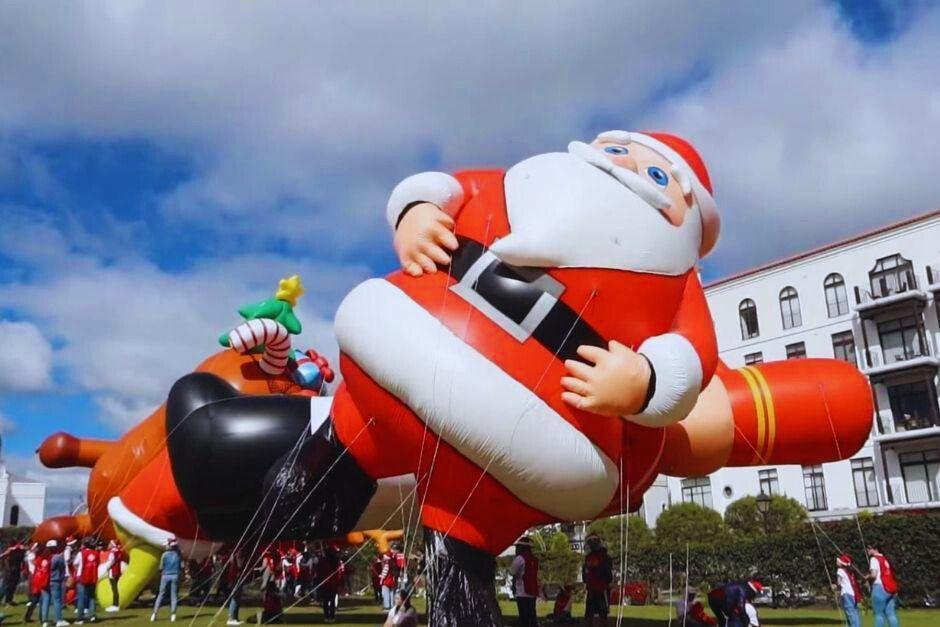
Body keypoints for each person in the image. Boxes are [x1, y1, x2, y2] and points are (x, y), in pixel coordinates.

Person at [581, 534, 612, 627]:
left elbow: (608, 575)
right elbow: (585, 574)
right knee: (589, 615)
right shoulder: (589, 558)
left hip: (601, 589)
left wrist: (596, 569)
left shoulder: (605, 557)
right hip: (592, 589)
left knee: (603, 615)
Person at [508, 536, 540, 627]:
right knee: (532, 616)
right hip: (532, 592)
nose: (516, 549)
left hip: (522, 592)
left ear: (523, 548)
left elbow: (512, 572)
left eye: (518, 547)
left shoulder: (519, 559)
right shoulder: (535, 559)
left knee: (524, 618)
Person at [867, 545, 900, 627]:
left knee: (879, 614)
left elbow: (874, 575)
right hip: (890, 589)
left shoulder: (874, 559)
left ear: (875, 549)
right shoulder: (886, 559)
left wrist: (867, 577)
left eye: (869, 548)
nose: (867, 550)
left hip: (879, 588)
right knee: (891, 614)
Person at [151, 537, 181, 622]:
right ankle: (173, 615)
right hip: (175, 575)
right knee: (174, 595)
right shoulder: (178, 555)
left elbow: (161, 567)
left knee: (161, 595)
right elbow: (180, 567)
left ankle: (154, 614)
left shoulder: (165, 555)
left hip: (165, 575)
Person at [73, 537, 99, 623]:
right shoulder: (96, 553)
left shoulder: (81, 553)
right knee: (91, 597)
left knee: (81, 598)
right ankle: (92, 616)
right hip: (92, 577)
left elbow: (75, 563)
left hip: (82, 578)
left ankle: (80, 618)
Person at [316, 545, 341, 623]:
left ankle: (327, 616)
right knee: (332, 601)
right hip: (332, 583)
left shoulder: (323, 560)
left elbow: (318, 571)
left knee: (326, 601)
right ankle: (332, 617)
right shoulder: (336, 561)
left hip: (325, 583)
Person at [0, 541, 25, 605]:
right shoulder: (9, 552)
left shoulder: (20, 552)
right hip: (8, 571)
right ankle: (2, 599)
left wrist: (21, 548)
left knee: (13, 587)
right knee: (5, 586)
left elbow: (25, 550)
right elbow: (2, 556)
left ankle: (8, 600)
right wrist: (10, 549)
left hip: (16, 571)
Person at [223, 551, 244, 626]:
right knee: (235, 598)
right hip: (236, 578)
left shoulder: (232, 556)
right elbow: (239, 565)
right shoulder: (238, 555)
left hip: (234, 578)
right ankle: (231, 618)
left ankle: (235, 618)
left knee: (237, 598)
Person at [103, 540, 124, 612]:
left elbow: (111, 562)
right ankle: (116, 604)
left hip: (113, 572)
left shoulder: (112, 552)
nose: (108, 545)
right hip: (117, 571)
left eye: (109, 544)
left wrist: (106, 568)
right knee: (115, 589)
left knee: (114, 589)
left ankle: (115, 605)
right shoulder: (118, 551)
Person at [379, 546, 400, 611]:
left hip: (386, 581)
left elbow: (384, 573)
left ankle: (387, 607)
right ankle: (392, 606)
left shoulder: (387, 564)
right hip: (391, 581)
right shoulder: (392, 563)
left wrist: (381, 578)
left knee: (385, 594)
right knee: (391, 594)